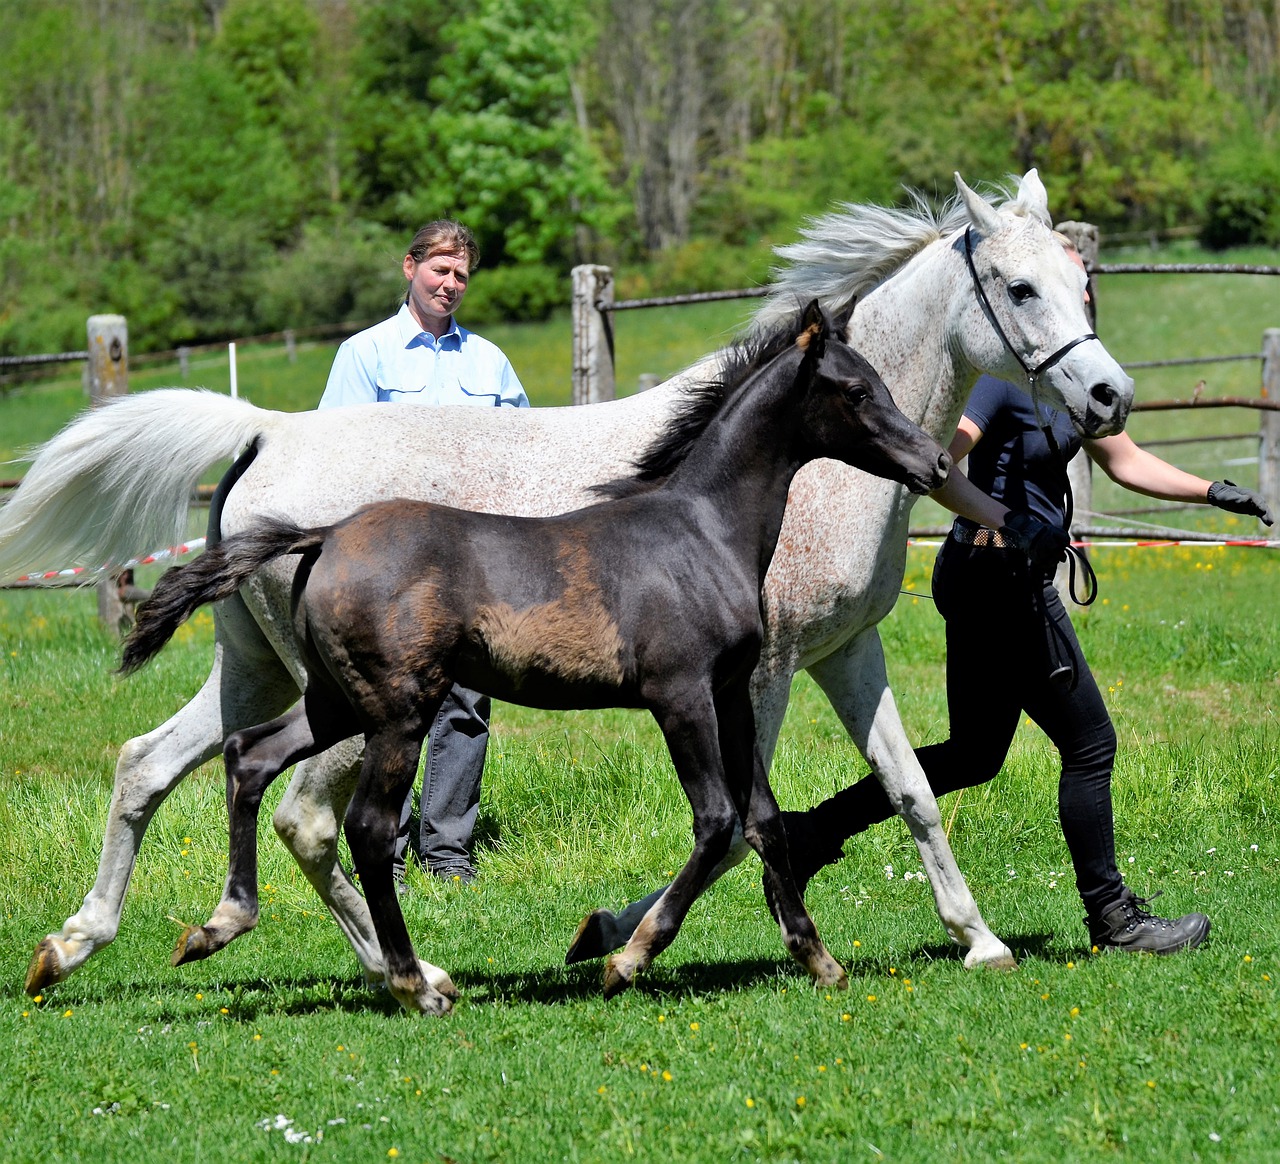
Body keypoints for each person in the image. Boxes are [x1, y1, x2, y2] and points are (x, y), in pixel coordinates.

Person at [781, 244, 1273, 954]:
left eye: (1080, 281)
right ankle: (1114, 921)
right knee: (1090, 744)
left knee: (974, 754)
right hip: (996, 576)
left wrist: (1211, 492)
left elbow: (1125, 459)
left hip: (998, 578)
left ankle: (811, 833)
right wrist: (1009, 520)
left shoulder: (1070, 383)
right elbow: (936, 465)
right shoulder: (1001, 382)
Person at [318, 220, 529, 884]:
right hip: (392, 570)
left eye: (462, 274)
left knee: (468, 700)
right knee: (393, 705)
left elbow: (523, 448)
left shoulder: (489, 362)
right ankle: (386, 849)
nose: (451, 284)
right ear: (409, 267)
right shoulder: (366, 355)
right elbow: (339, 457)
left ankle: (450, 854)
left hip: (473, 565)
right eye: (440, 269)